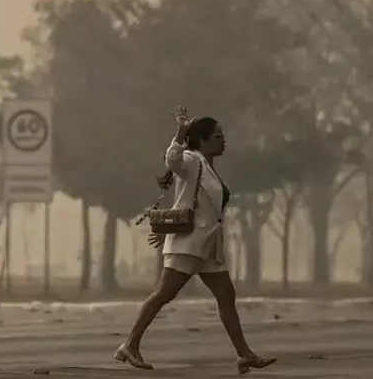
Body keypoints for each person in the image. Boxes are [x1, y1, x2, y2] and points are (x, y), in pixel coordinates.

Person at [115, 106, 276, 374]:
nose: (223, 139)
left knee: (226, 294)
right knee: (163, 295)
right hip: (189, 243)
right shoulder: (191, 160)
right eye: (217, 135)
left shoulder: (208, 167)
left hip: (208, 245)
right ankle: (130, 345)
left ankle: (244, 355)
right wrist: (180, 133)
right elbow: (172, 160)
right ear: (202, 140)